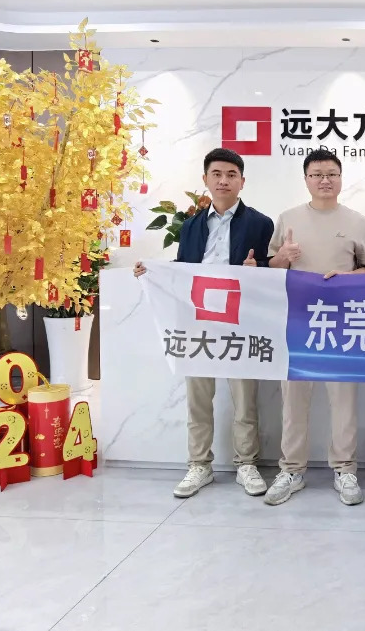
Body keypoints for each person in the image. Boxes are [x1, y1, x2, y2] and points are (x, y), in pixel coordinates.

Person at [133, 148, 274, 499]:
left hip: (241, 322)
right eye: (217, 174)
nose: (224, 181)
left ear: (242, 181)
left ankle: (246, 464)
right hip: (197, 322)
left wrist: (260, 268)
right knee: (198, 398)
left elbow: (271, 274)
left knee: (245, 399)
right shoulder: (192, 225)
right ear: (205, 179)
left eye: (231, 174)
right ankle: (199, 464)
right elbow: (184, 269)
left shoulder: (260, 223)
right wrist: (151, 270)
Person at [264, 148, 365, 506]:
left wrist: (347, 277)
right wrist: (284, 258)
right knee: (293, 401)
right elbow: (271, 267)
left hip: (343, 323)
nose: (324, 180)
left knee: (343, 400)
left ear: (341, 178)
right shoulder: (288, 218)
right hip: (297, 321)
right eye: (316, 174)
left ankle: (345, 469)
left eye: (331, 174)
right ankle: (291, 470)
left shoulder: (357, 221)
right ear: (306, 180)